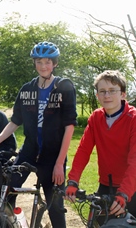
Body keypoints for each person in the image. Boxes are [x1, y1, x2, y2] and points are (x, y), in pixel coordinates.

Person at [0, 41, 77, 228]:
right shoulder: (27, 89)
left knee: (55, 208)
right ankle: (11, 224)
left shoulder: (64, 87)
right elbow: (15, 120)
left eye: (47, 62)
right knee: (6, 192)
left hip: (53, 155)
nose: (43, 66)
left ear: (55, 63)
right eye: (39, 62)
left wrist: (59, 163)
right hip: (28, 152)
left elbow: (69, 126)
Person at [65, 70, 136, 223]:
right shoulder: (96, 117)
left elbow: (134, 161)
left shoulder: (133, 119)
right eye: (102, 91)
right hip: (106, 185)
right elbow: (84, 150)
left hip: (132, 187)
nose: (107, 95)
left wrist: (124, 194)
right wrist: (73, 181)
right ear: (97, 96)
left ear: (123, 94)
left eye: (112, 91)